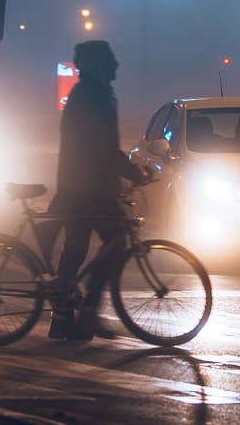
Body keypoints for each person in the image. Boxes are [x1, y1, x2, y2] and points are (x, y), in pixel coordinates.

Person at [46, 40, 149, 341]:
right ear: (98, 64)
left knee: (75, 249)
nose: (117, 65)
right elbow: (102, 147)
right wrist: (133, 173)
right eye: (111, 60)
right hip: (90, 188)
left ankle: (63, 319)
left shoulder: (87, 94)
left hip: (76, 185)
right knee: (116, 244)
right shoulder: (94, 96)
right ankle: (88, 313)